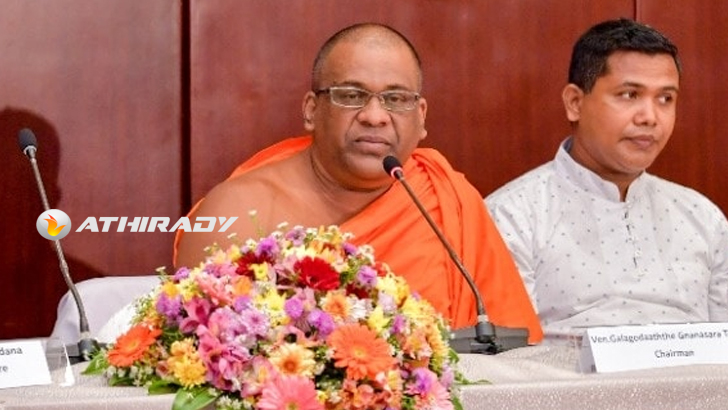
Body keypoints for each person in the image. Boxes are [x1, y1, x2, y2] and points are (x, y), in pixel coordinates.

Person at [176, 23, 542, 343]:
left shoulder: (447, 202)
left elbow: (509, 355)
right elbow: (205, 361)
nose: (375, 116)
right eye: (351, 95)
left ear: (421, 117)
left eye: (396, 99)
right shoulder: (239, 212)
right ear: (311, 110)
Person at [486, 18, 728, 342]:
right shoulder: (511, 216)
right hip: (562, 376)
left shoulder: (703, 218)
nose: (650, 117)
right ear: (575, 103)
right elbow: (508, 358)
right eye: (629, 94)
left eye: (665, 99)